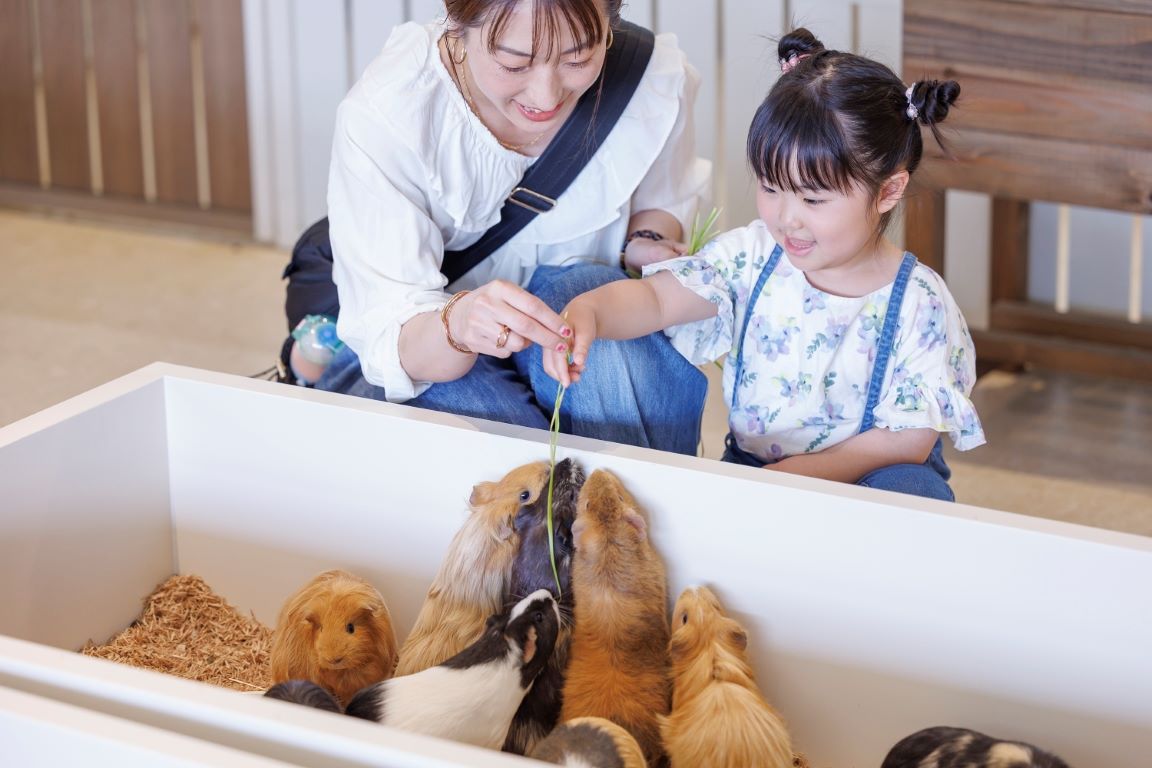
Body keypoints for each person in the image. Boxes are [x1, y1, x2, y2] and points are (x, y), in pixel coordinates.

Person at [543, 28, 986, 500]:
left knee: (915, 492)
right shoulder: (751, 256)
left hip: (870, 476)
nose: (786, 218)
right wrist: (590, 310)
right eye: (771, 188)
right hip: (755, 469)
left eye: (814, 199)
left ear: (888, 191)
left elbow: (909, 440)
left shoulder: (921, 302)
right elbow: (656, 298)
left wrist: (799, 474)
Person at [295, 0, 711, 455]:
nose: (546, 96)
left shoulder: (647, 77)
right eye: (514, 63)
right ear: (459, 23)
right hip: (430, 347)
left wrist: (644, 242)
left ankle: (639, 509)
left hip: (577, 313)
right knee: (499, 453)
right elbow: (395, 341)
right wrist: (460, 324)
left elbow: (660, 201)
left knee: (603, 325)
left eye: (578, 59)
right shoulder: (392, 113)